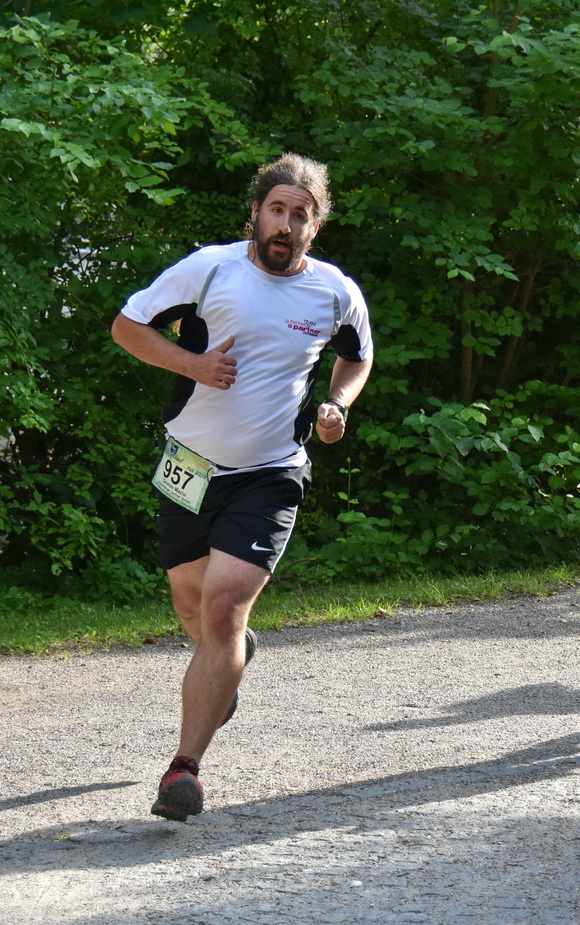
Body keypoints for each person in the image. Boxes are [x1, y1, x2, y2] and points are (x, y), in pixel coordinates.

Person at [111, 153, 372, 821]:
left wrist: (337, 403)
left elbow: (357, 355)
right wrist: (192, 363)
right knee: (193, 609)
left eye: (300, 215)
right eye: (276, 210)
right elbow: (127, 327)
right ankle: (229, 661)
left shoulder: (334, 292)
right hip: (190, 468)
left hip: (271, 472)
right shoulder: (210, 270)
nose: (286, 225)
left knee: (224, 607)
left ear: (316, 225)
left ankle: (184, 771)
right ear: (255, 213)